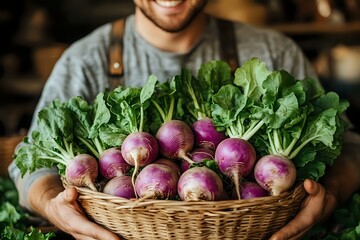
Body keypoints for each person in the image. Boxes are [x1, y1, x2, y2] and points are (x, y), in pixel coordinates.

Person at [8, 0, 360, 239]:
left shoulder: (274, 51)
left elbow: (348, 148)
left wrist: (330, 194)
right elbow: (30, 161)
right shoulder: (84, 60)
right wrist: (52, 205)